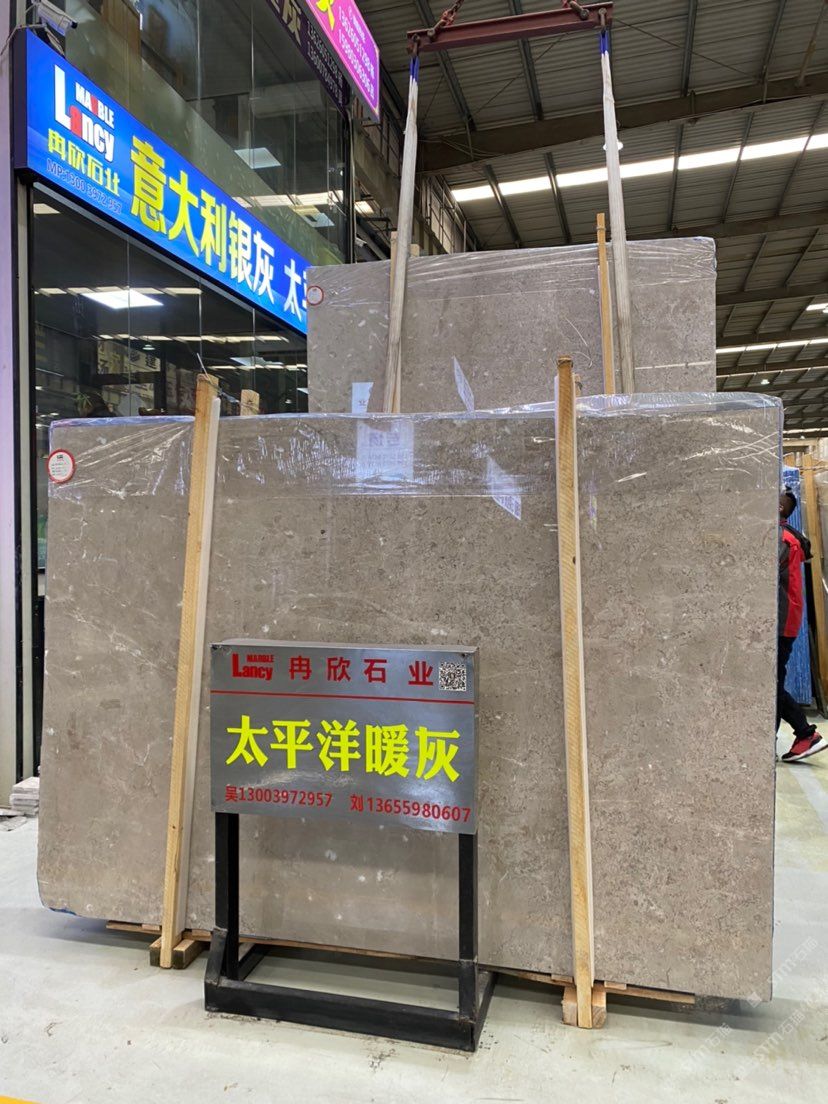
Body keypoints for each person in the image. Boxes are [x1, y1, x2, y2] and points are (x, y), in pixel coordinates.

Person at [778, 490, 828, 762]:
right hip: (783, 620)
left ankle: (806, 733)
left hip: (779, 622)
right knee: (773, 682)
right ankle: (782, 737)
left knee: (771, 686)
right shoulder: (787, 535)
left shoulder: (782, 539)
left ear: (779, 508)